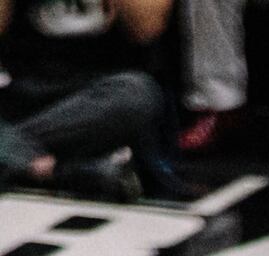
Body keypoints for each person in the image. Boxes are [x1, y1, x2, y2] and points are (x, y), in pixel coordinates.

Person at [0, 0, 175, 194]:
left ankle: (17, 157)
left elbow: (146, 28)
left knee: (138, 93)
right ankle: (59, 171)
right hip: (20, 95)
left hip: (96, 99)